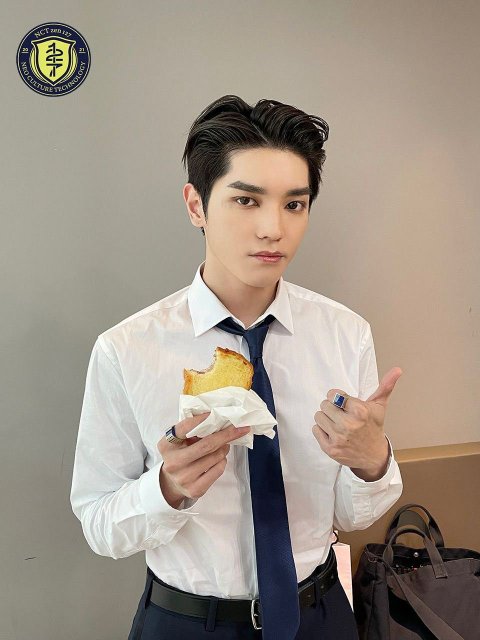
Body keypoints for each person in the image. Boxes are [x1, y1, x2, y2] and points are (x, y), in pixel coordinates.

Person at [70, 94, 403, 640]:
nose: (273, 228)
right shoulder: (127, 350)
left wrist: (372, 463)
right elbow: (99, 524)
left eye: (294, 205)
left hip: (320, 614)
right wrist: (167, 488)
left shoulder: (345, 334)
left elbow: (348, 516)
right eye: (246, 201)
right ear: (196, 205)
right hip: (185, 622)